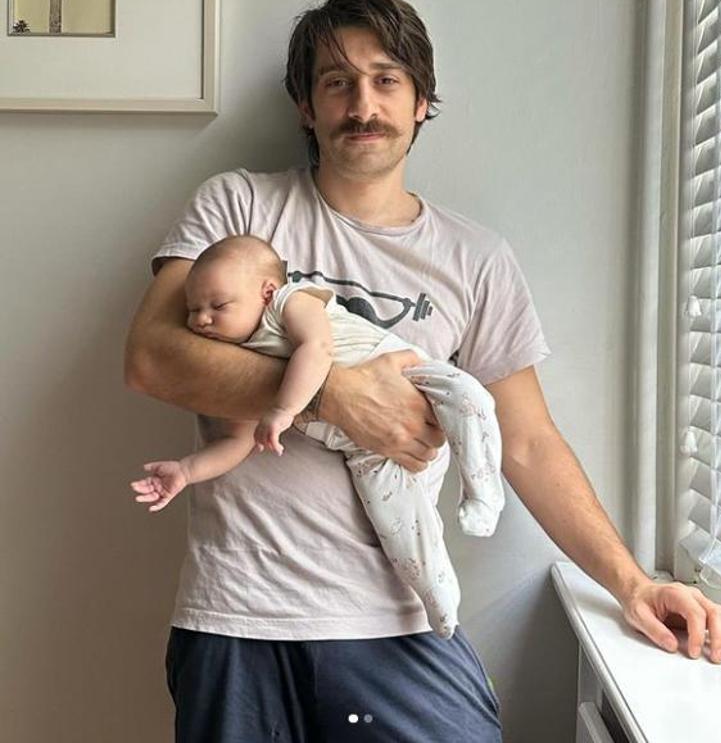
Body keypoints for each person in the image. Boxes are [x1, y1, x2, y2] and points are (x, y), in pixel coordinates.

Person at [124, 0, 721, 742]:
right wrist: (333, 396)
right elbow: (151, 357)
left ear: (421, 101)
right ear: (305, 107)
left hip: (400, 617)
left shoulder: (476, 259)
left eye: (387, 80)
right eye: (337, 82)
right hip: (238, 616)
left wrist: (633, 582)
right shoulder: (239, 209)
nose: (363, 105)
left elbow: (527, 442)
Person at [131, 233, 507, 640]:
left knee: (469, 398)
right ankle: (437, 595)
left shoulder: (289, 302)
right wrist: (186, 472)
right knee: (401, 525)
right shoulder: (240, 362)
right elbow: (238, 442)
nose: (201, 320)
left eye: (218, 306)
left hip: (408, 375)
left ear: (266, 291)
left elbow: (317, 347)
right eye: (193, 310)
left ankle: (482, 491)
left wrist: (283, 410)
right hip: (362, 451)